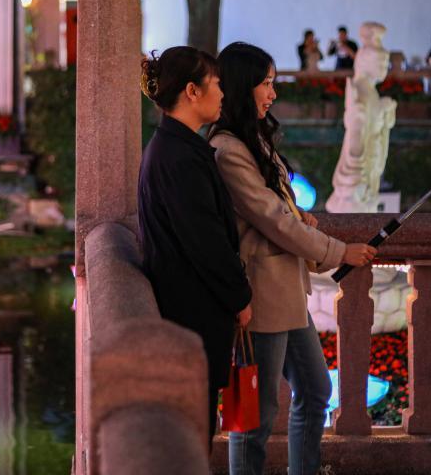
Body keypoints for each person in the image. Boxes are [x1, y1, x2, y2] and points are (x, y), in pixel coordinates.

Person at [208, 42, 377, 475]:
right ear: (243, 86)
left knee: (316, 389)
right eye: (266, 83)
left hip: (285, 292)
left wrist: (299, 214)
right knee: (255, 414)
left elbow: (279, 210)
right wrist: (339, 252)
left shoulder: (252, 140)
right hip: (261, 296)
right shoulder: (228, 150)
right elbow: (273, 221)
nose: (273, 93)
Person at [137, 46, 253, 441]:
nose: (222, 93)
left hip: (187, 311)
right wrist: (239, 297)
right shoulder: (179, 156)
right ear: (192, 91)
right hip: (191, 315)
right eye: (216, 84)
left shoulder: (173, 146)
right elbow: (205, 241)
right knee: (193, 432)